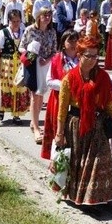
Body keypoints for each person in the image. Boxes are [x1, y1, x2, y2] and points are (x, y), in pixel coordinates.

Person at [54, 36, 112, 206]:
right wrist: (59, 133)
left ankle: (97, 198)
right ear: (79, 55)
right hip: (76, 126)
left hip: (97, 125)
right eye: (88, 56)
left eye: (95, 56)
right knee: (78, 162)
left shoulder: (103, 78)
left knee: (99, 160)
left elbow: (109, 103)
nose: (93, 60)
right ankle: (79, 197)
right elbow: (62, 109)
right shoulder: (69, 78)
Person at [19, 7, 57, 144]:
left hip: (45, 66)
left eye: (49, 15)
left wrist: (47, 60)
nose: (47, 17)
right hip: (32, 65)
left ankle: (33, 121)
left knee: (41, 96)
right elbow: (21, 47)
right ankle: (36, 127)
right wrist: (32, 54)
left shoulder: (52, 31)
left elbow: (54, 50)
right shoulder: (30, 30)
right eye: (44, 15)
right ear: (39, 16)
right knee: (35, 95)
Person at [41, 30, 79, 160]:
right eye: (70, 41)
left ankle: (75, 159)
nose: (74, 44)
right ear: (63, 44)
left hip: (79, 101)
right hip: (58, 100)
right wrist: (67, 85)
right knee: (59, 129)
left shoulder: (82, 59)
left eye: (76, 40)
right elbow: (49, 81)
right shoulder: (56, 59)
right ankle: (58, 160)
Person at [0, 9, 30, 123]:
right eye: (13, 21)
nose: (16, 23)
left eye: (18, 21)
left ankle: (16, 115)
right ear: (9, 21)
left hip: (19, 64)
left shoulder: (24, 31)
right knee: (6, 87)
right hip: (6, 64)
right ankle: (2, 108)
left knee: (19, 87)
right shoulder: (3, 32)